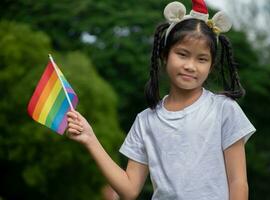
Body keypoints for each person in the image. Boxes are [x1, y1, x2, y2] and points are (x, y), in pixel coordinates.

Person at [66, 0, 256, 199]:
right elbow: (129, 190)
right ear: (165, 56)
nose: (191, 66)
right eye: (182, 54)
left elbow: (238, 182)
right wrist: (90, 139)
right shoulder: (146, 121)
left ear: (211, 65)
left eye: (202, 59)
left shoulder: (224, 109)